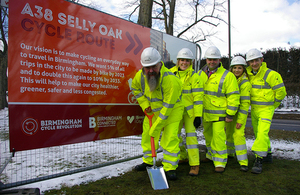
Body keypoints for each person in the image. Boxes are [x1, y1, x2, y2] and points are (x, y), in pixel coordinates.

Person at [131, 47, 184, 180]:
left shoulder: (170, 80)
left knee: (170, 138)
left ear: (160, 64)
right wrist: (145, 105)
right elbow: (135, 89)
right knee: (147, 136)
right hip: (152, 111)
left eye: (153, 67)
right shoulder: (140, 76)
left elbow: (167, 107)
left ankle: (170, 167)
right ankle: (148, 161)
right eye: (147, 67)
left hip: (172, 111)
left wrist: (157, 126)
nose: (150, 71)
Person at [199, 46, 240, 173]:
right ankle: (210, 155)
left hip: (220, 114)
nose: (212, 62)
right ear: (206, 59)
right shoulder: (201, 73)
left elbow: (233, 96)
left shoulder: (228, 76)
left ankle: (220, 162)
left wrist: (230, 114)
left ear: (219, 60)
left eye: (214, 59)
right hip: (205, 113)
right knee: (208, 136)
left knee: (219, 138)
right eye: (209, 59)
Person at [246, 48, 287, 174]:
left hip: (266, 109)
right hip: (254, 109)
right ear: (248, 63)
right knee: (259, 133)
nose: (254, 63)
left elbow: (281, 92)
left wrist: (272, 105)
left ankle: (259, 159)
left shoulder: (272, 75)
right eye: (251, 61)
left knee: (262, 133)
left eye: (256, 60)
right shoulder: (248, 75)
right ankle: (268, 153)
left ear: (261, 60)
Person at [170, 48, 203, 176]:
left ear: (191, 62)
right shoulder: (170, 74)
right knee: (173, 136)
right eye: (182, 60)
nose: (184, 63)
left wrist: (198, 115)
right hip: (175, 111)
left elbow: (198, 98)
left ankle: (194, 164)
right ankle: (182, 156)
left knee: (191, 138)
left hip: (190, 112)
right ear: (178, 61)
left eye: (187, 60)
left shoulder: (195, 77)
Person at [225, 56, 251, 172]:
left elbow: (245, 104)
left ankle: (243, 162)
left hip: (239, 113)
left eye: (239, 68)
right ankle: (230, 154)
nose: (237, 70)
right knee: (229, 134)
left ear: (243, 69)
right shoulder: (230, 79)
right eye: (234, 68)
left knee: (238, 135)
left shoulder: (245, 83)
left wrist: (240, 120)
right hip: (231, 112)